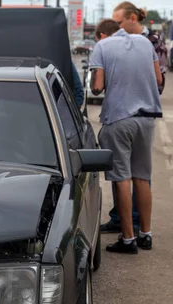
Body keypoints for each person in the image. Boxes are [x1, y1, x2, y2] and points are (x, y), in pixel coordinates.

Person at [90, 18, 163, 253]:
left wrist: (97, 79)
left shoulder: (102, 47)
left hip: (119, 119)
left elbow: (97, 87)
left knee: (122, 178)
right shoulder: (144, 42)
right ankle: (146, 234)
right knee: (142, 177)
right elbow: (159, 80)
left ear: (102, 35)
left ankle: (128, 239)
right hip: (147, 119)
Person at [101, 1, 168, 234]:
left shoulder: (152, 42)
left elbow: (159, 80)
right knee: (125, 175)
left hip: (134, 112)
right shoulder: (123, 43)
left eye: (119, 23)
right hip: (136, 113)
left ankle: (134, 228)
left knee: (134, 175)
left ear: (132, 19)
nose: (116, 28)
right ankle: (126, 222)